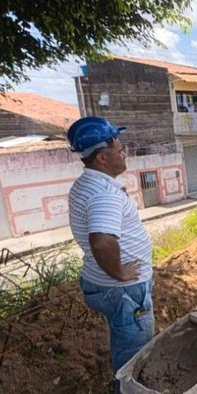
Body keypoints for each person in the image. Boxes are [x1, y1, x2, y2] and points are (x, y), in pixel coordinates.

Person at [66, 117, 155, 375]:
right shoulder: (103, 193)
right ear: (102, 157)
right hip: (123, 289)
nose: (124, 151)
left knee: (126, 340)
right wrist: (119, 272)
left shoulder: (87, 184)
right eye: (119, 147)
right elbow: (102, 241)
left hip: (102, 283)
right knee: (134, 352)